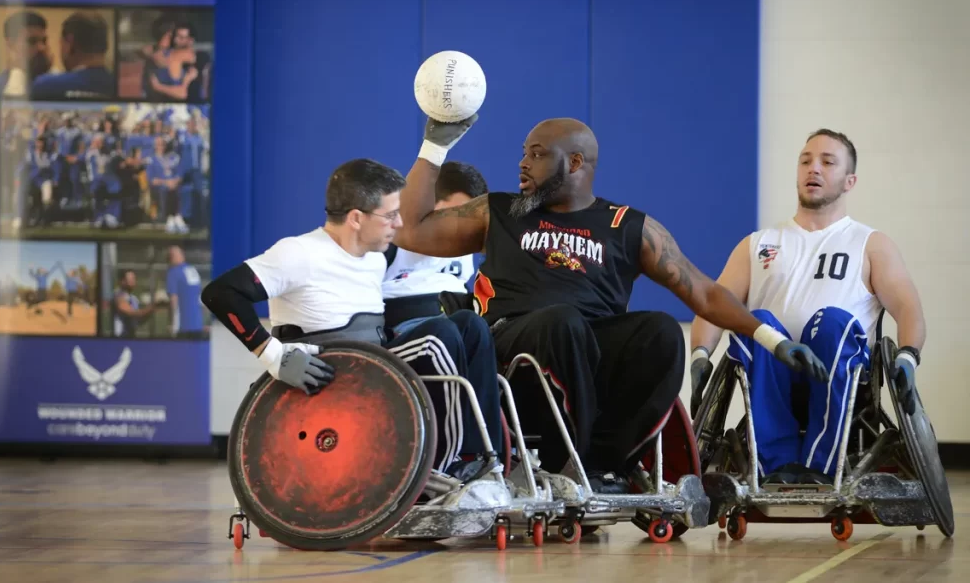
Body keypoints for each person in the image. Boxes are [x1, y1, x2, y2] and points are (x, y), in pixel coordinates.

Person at [393, 114, 827, 494]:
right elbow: (410, 230)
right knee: (562, 323)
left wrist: (769, 339)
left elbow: (705, 292)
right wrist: (437, 143)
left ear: (575, 163)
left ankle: (602, 463)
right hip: (512, 351)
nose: (523, 164)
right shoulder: (500, 211)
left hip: (587, 358)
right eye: (524, 153)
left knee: (660, 333)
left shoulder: (627, 226)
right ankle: (572, 464)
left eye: (538, 155)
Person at [200, 158, 503, 480]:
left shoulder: (373, 260)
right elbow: (219, 294)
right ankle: (445, 467)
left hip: (374, 363)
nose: (400, 223)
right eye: (390, 215)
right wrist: (273, 355)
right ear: (357, 218)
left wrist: (436, 143)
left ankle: (486, 458)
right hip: (335, 370)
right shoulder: (297, 253)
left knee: (470, 324)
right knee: (436, 337)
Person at [689, 129, 926, 484]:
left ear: (850, 181)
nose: (813, 168)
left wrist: (908, 356)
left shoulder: (870, 243)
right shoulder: (758, 244)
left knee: (832, 322)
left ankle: (821, 466)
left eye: (827, 162)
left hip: (842, 375)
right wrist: (699, 356)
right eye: (805, 160)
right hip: (771, 370)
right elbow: (714, 304)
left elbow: (909, 307)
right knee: (758, 321)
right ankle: (777, 465)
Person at [382, 161, 488, 335]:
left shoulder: (467, 238)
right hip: (407, 325)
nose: (458, 225)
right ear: (424, 206)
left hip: (457, 320)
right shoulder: (387, 239)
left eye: (468, 218)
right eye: (451, 213)